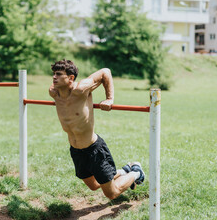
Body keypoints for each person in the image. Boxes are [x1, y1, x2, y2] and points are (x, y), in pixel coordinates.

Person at [49, 59, 145, 200]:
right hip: (76, 151)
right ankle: (124, 170)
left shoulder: (81, 89)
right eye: (53, 74)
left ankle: (136, 172)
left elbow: (105, 72)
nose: (54, 77)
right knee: (94, 185)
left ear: (71, 78)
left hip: (94, 150)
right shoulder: (54, 93)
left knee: (112, 193)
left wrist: (109, 98)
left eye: (58, 74)